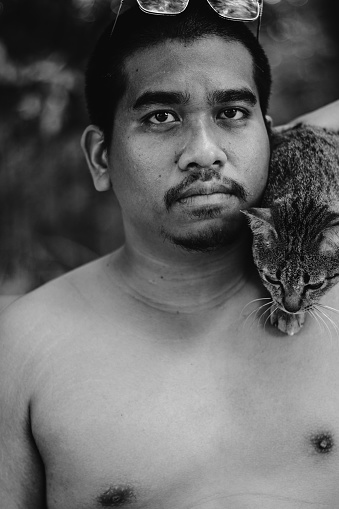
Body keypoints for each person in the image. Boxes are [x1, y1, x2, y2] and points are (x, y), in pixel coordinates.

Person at [1, 1, 339, 507]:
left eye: (231, 113)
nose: (205, 151)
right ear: (101, 158)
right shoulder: (25, 347)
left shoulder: (324, 285)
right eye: (162, 116)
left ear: (267, 134)